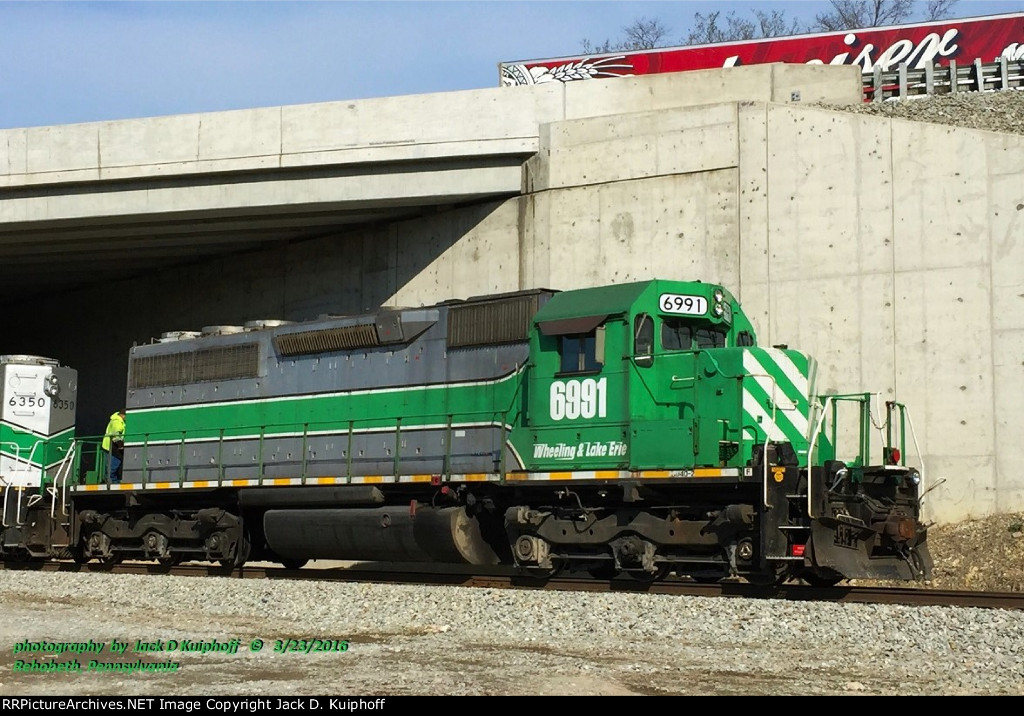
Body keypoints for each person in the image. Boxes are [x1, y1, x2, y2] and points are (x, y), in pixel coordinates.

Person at [101, 410, 126, 483]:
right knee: (112, 467)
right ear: (123, 415)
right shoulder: (117, 422)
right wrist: (121, 445)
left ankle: (113, 481)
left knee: (113, 466)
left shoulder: (118, 421)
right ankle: (112, 482)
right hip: (112, 447)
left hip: (112, 446)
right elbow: (116, 436)